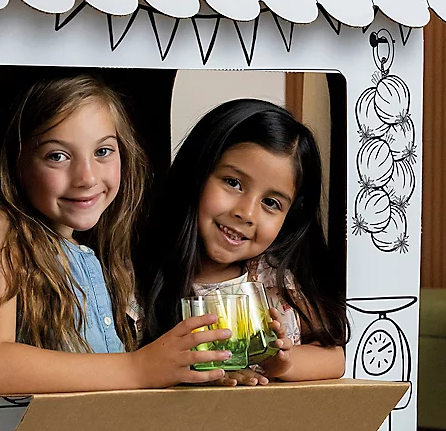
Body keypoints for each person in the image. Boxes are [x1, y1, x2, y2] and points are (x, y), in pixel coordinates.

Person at [0, 74, 232, 394]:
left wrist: (187, 371)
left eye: (102, 152)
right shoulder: (1, 227)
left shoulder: (96, 253)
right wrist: (140, 367)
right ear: (16, 161)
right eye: (57, 156)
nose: (86, 177)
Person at [140, 99, 348, 383]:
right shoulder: (139, 279)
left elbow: (334, 358)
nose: (246, 213)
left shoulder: (277, 283)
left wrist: (284, 365)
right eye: (233, 183)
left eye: (271, 202)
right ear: (197, 173)